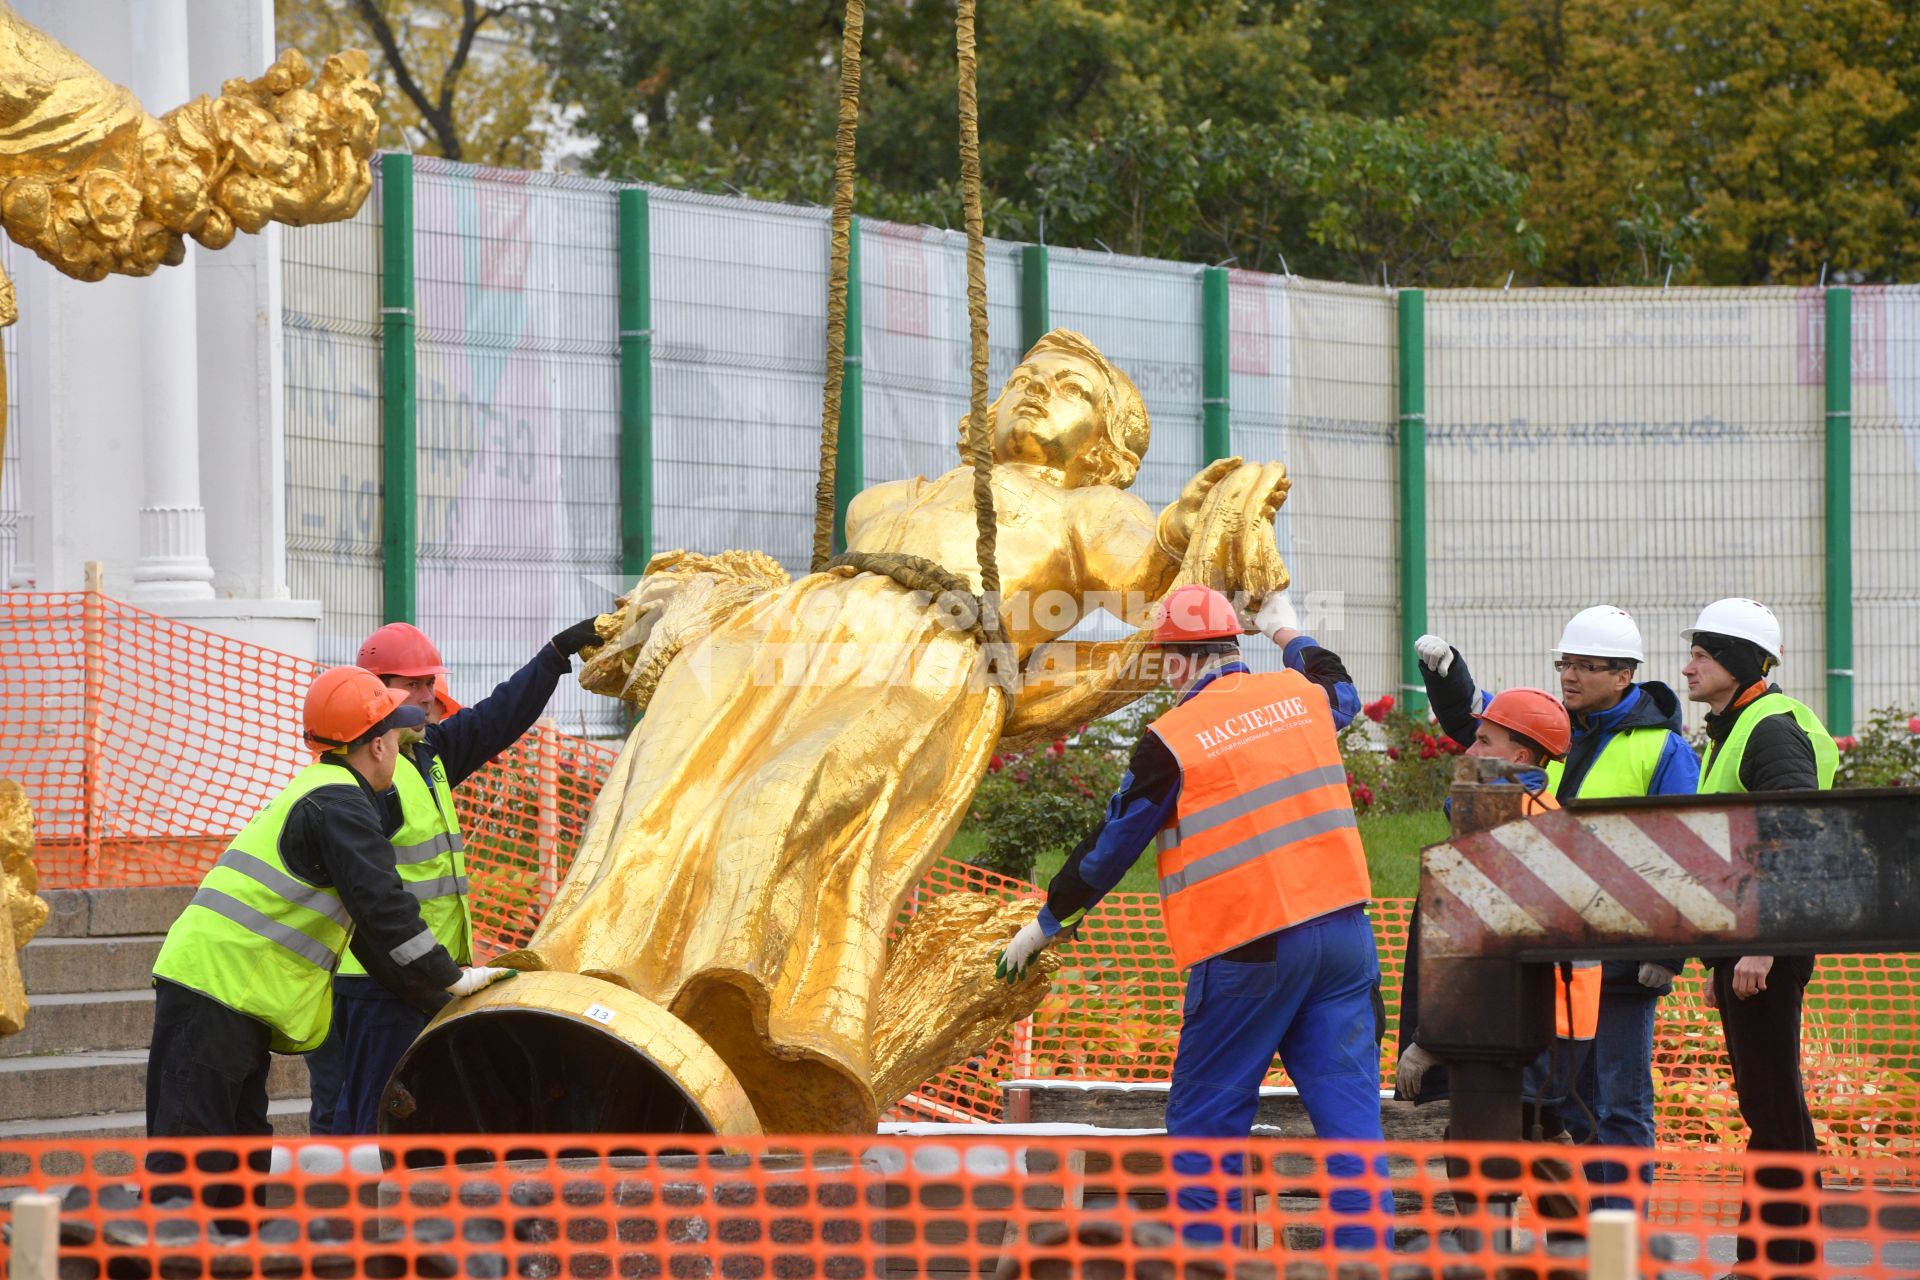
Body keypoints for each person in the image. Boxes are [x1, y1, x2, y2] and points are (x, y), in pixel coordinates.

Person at [996, 584, 1383, 1249]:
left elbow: (1113, 846)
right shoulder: (1303, 699)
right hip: (1346, 936)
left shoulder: (1171, 739)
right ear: (1233, 647)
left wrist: (1045, 923)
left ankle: (1212, 1266)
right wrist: (1288, 632)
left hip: (1249, 947)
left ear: (1176, 663)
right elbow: (1338, 684)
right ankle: (1369, 1267)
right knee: (1352, 1131)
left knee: (1206, 1128)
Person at [147, 666, 517, 1143]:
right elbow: (385, 910)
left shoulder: (329, 794)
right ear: (379, 745)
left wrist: (437, 1000)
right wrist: (451, 978)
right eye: (395, 736)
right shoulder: (340, 806)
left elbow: (369, 934)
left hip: (229, 993)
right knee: (192, 1150)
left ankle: (234, 1223)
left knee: (235, 1152)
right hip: (215, 990)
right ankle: (182, 1221)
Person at [1415, 606, 1696, 1164]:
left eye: (1586, 666)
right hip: (1548, 964)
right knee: (1562, 1109)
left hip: (1623, 960)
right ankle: (1574, 1244)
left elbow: (1683, 850)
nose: (1569, 675)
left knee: (1620, 1106)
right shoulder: (1552, 736)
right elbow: (1485, 739)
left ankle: (1617, 1243)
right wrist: (1449, 681)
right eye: (1565, 663)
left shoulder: (1662, 750)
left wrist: (1669, 954)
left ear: (1624, 675)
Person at [305, 617, 603, 1136]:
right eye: (411, 683)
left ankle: (389, 1212)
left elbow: (499, 716)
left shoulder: (426, 754)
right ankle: (345, 1216)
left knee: (400, 1116)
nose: (426, 694)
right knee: (360, 1121)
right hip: (372, 983)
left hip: (422, 976)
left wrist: (556, 655)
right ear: (373, 690)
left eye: (430, 682)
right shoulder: (361, 775)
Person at [1683, 597, 1835, 1279]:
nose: (1687, 667)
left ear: (1739, 663)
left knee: (1772, 1106)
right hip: (1749, 946)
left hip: (1764, 946)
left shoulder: (1768, 731)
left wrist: (1763, 945)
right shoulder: (1740, 725)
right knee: (1770, 1104)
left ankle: (1775, 1261)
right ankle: (1778, 1257)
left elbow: (1795, 830)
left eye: (1702, 656)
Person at [1394, 687, 1599, 1132]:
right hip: (1556, 1024)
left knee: (1476, 1152)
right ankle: (1584, 1207)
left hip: (1517, 1027)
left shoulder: (1495, 822)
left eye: (1484, 741)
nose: (1469, 750)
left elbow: (1474, 949)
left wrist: (1431, 1041)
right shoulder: (1545, 811)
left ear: (1521, 758)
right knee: (1541, 1133)